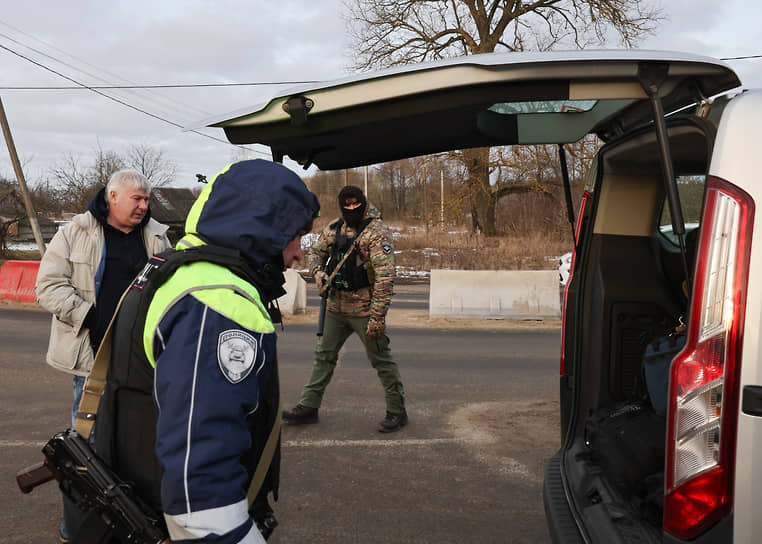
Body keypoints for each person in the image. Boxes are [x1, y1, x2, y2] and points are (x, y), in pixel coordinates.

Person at [90, 159, 320, 543]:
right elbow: (200, 485)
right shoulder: (217, 300)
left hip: (141, 500)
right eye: (293, 236)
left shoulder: (179, 269)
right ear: (262, 227)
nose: (298, 253)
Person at [35, 169, 171, 543]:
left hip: (143, 364)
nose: (144, 206)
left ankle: (129, 527)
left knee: (139, 450)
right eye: (137, 199)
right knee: (86, 456)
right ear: (113, 196)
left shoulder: (158, 237)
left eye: (146, 199)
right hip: (92, 364)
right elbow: (47, 286)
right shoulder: (75, 232)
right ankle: (76, 531)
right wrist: (89, 317)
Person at [282, 185, 407, 432]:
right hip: (335, 307)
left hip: (365, 310)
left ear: (362, 202)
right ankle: (309, 406)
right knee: (323, 357)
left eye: (355, 204)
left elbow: (385, 278)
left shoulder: (376, 232)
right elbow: (316, 253)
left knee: (381, 359)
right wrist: (317, 273)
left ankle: (397, 410)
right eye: (346, 205)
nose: (351, 209)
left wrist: (377, 318)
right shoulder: (335, 228)